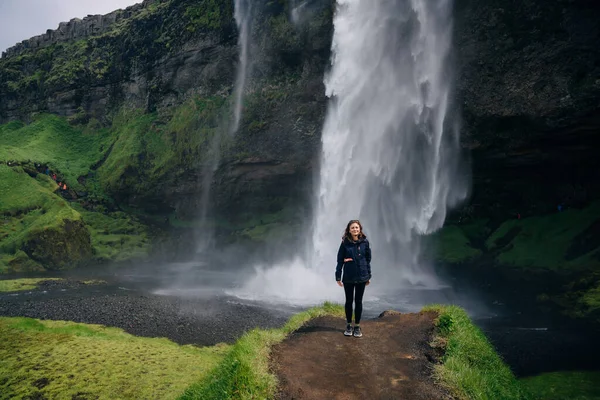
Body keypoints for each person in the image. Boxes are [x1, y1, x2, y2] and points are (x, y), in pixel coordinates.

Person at [335, 219, 372, 338]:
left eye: (357, 227)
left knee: (359, 301)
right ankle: (348, 325)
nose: (355, 229)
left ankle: (357, 326)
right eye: (352, 228)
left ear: (360, 229)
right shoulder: (345, 243)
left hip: (362, 276)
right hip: (348, 276)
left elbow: (367, 260)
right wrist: (338, 276)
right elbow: (340, 260)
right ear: (349, 230)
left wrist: (368, 276)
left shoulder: (365, 243)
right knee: (349, 301)